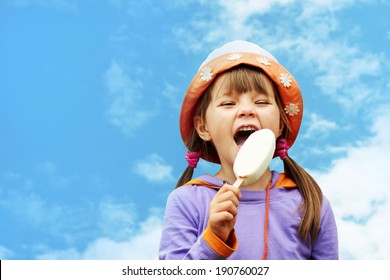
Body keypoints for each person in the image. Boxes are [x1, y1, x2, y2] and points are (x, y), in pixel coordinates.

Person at [159, 40, 338, 260]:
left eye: (261, 102)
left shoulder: (309, 202)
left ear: (281, 125)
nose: (246, 110)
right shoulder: (187, 200)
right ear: (203, 128)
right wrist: (213, 238)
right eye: (228, 104)